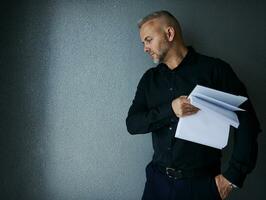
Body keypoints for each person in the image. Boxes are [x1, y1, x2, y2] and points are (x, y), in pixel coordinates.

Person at [126, 10, 261, 200]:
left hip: (201, 186)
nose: (145, 48)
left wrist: (232, 178)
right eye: (143, 43)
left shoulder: (215, 71)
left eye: (148, 40)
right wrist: (170, 110)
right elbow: (132, 124)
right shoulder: (150, 80)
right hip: (157, 184)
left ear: (170, 34)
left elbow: (248, 123)